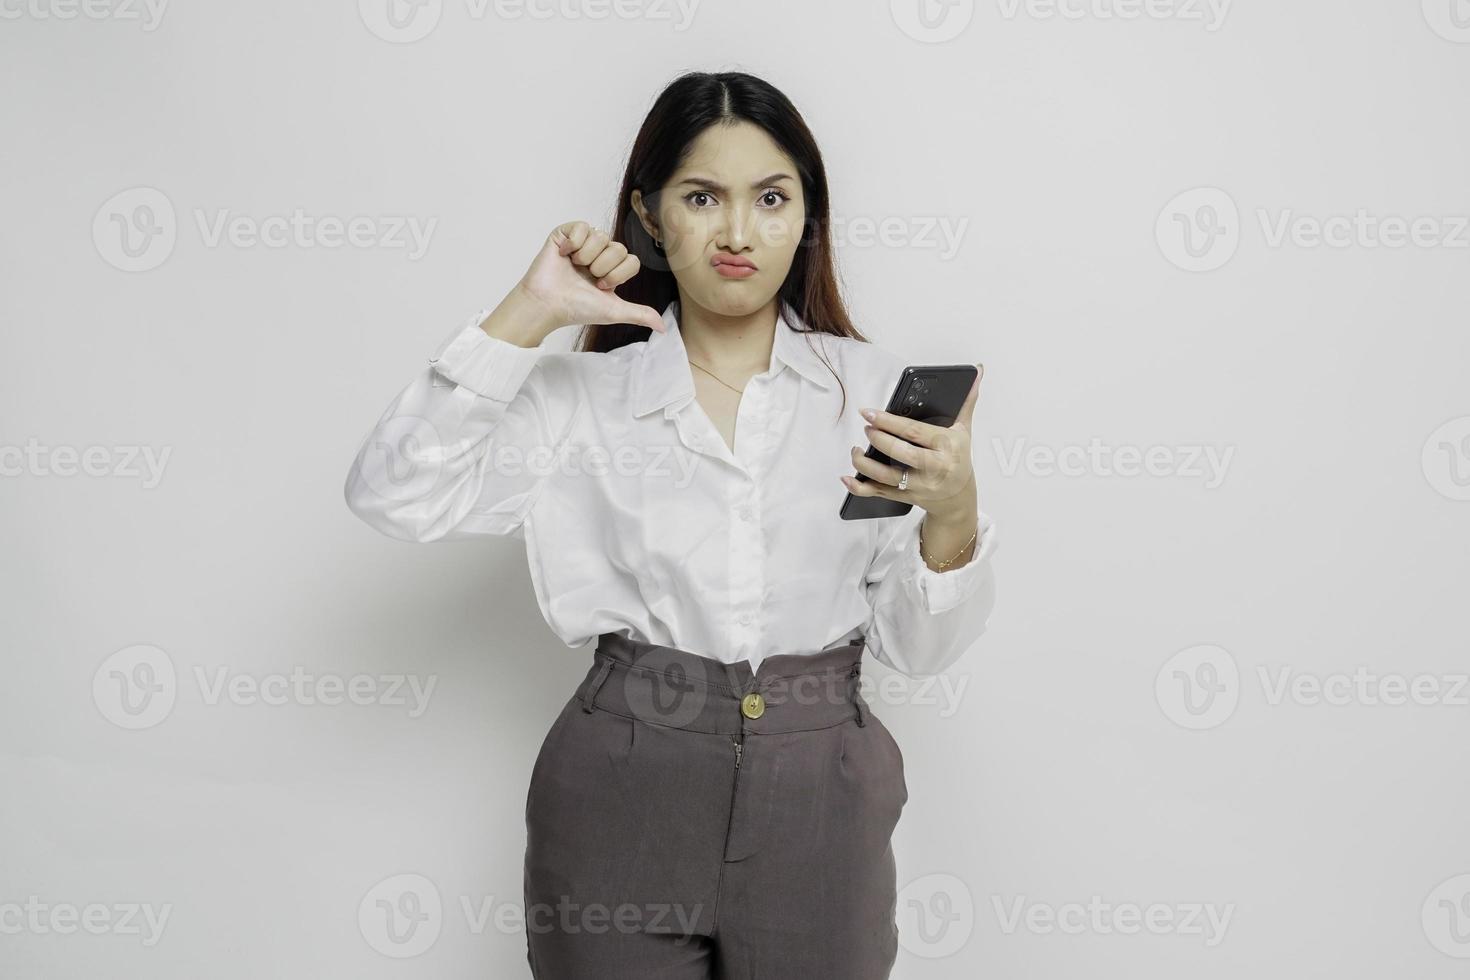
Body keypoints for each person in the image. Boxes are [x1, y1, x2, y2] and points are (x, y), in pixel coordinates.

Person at [343, 69, 998, 980]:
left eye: (772, 198)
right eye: (702, 197)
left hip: (824, 800)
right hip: (621, 792)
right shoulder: (580, 397)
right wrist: (527, 312)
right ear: (650, 217)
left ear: (807, 215)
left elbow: (917, 650)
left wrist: (955, 517)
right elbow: (390, 494)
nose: (737, 232)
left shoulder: (872, 390)